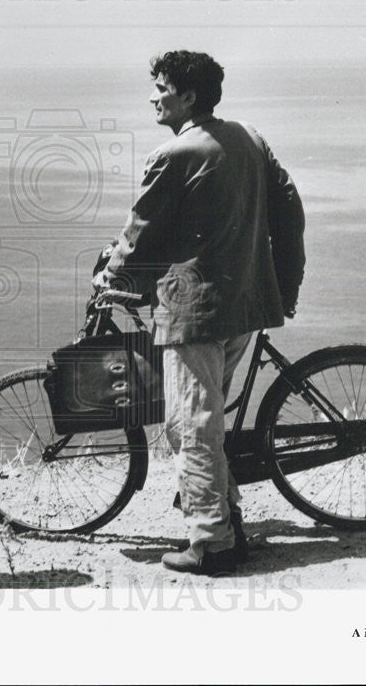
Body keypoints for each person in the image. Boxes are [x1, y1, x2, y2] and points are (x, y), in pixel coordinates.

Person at [93, 50, 305, 576]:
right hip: (247, 305)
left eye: (160, 87)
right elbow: (289, 210)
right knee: (197, 420)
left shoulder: (174, 154)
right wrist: (287, 282)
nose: (152, 96)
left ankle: (212, 543)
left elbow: (140, 233)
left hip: (196, 312)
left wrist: (112, 277)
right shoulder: (249, 137)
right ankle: (223, 514)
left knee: (192, 423)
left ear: (187, 95)